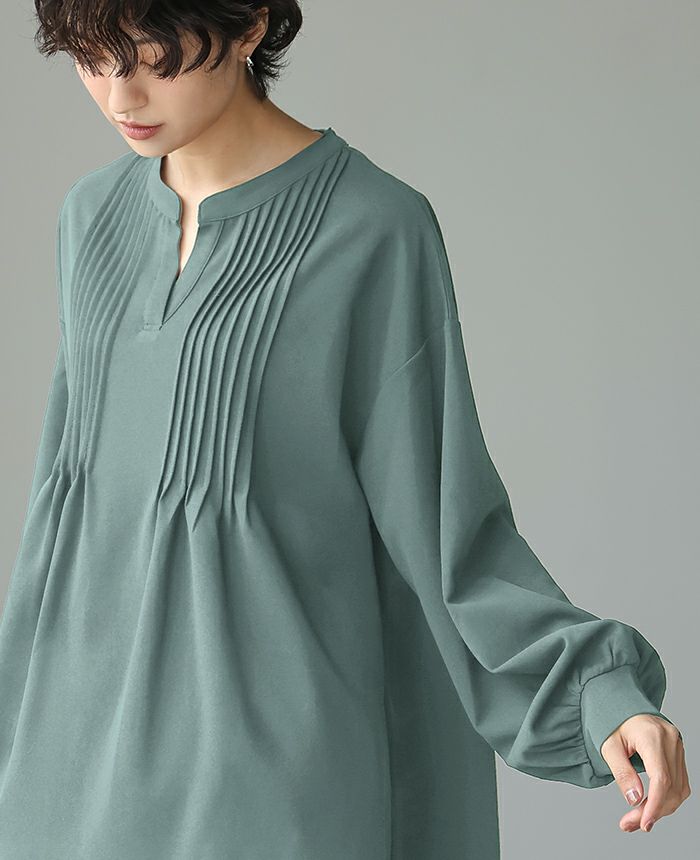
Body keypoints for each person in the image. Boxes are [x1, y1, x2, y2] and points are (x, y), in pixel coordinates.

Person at [0, 1, 689, 857]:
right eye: (90, 59)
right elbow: (68, 511)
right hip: (63, 768)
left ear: (249, 26)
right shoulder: (91, 218)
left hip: (262, 783)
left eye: (150, 56)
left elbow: (446, 524)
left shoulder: (372, 229)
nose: (119, 95)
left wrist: (600, 694)